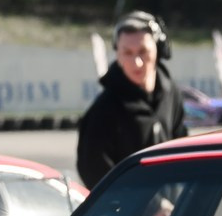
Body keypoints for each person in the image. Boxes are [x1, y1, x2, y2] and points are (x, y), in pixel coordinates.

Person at [74, 11, 185, 188]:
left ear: (159, 49)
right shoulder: (104, 109)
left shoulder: (172, 95)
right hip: (130, 214)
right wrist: (150, 208)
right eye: (128, 53)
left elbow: (183, 152)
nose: (137, 62)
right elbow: (93, 169)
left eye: (143, 51)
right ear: (117, 55)